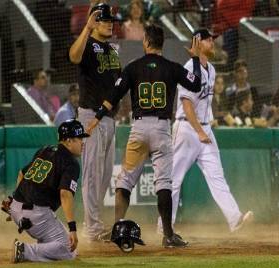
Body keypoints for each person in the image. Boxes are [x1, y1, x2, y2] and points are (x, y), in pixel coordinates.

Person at [87, 24, 203, 248]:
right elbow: (196, 84)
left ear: (147, 42)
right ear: (162, 43)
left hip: (139, 129)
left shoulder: (133, 67)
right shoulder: (172, 67)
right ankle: (168, 235)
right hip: (161, 129)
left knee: (125, 181)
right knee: (164, 184)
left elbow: (114, 94)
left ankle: (117, 229)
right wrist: (196, 59)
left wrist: (98, 116)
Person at [157, 28, 253, 234]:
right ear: (198, 43)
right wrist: (200, 130)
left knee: (217, 176)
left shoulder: (211, 69)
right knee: (174, 180)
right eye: (209, 40)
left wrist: (206, 127)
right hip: (186, 129)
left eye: (213, 40)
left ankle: (235, 219)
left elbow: (203, 104)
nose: (213, 43)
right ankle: (164, 227)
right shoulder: (189, 68)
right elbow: (187, 104)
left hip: (204, 129)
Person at [69, 3, 121, 242]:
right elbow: (73, 56)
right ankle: (92, 230)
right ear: (94, 22)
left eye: (111, 20)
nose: (110, 23)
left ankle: (93, 223)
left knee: (105, 175)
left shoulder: (112, 50)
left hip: (109, 119)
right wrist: (87, 29)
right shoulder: (88, 44)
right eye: (104, 20)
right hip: (91, 117)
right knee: (92, 174)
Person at [6, 119, 89, 263]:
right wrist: (73, 229)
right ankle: (24, 251)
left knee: (56, 240)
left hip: (15, 208)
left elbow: (21, 174)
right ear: (68, 141)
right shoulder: (71, 163)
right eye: (79, 138)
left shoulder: (45, 150)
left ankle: (42, 249)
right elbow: (65, 194)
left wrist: (15, 206)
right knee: (68, 249)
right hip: (36, 215)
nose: (83, 142)